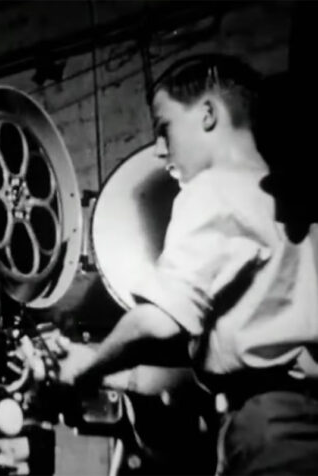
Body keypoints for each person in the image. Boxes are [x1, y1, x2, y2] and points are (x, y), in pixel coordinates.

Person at [57, 54, 318, 475]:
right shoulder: (287, 198)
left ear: (209, 114)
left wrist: (87, 367)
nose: (160, 150)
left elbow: (159, 322)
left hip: (268, 433)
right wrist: (111, 371)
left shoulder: (210, 190)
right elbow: (253, 356)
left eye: (165, 128)